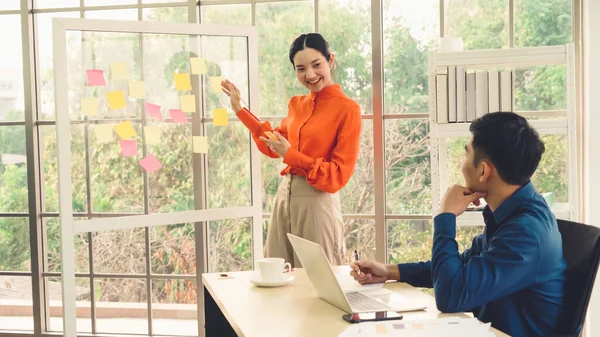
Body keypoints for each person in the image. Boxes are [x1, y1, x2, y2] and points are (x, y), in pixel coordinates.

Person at [350, 112, 566, 337]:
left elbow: (450, 296)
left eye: (466, 155)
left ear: (484, 170)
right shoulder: (513, 212)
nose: (462, 165)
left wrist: (447, 216)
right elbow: (460, 270)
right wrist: (389, 271)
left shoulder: (525, 233)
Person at [221, 33, 361, 267]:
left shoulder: (347, 109)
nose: (310, 75)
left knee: (318, 275)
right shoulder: (297, 104)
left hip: (317, 199)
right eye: (301, 68)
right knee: (276, 269)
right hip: (285, 194)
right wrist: (240, 109)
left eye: (317, 65)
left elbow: (338, 174)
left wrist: (292, 156)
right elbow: (274, 144)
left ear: (331, 60)